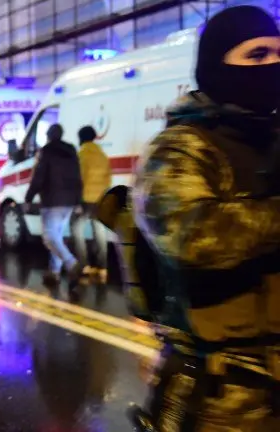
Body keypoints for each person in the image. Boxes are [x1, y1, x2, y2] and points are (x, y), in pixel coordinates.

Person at [129, 6, 280, 430]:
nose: (272, 65)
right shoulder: (180, 148)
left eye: (278, 54)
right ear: (217, 66)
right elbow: (193, 236)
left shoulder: (271, 139)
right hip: (221, 397)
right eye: (257, 55)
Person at [24, 124, 84, 288]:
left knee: (50, 237)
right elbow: (78, 177)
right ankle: (54, 272)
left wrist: (28, 198)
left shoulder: (47, 151)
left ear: (49, 136)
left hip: (52, 200)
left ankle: (71, 263)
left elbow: (39, 177)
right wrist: (78, 201)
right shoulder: (71, 150)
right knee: (57, 237)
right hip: (69, 201)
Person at [70, 126, 111, 285]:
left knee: (76, 229)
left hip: (85, 199)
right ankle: (102, 267)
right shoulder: (102, 156)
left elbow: (78, 180)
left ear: (81, 138)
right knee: (99, 232)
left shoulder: (82, 155)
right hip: (101, 199)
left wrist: (77, 201)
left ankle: (84, 264)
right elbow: (108, 179)